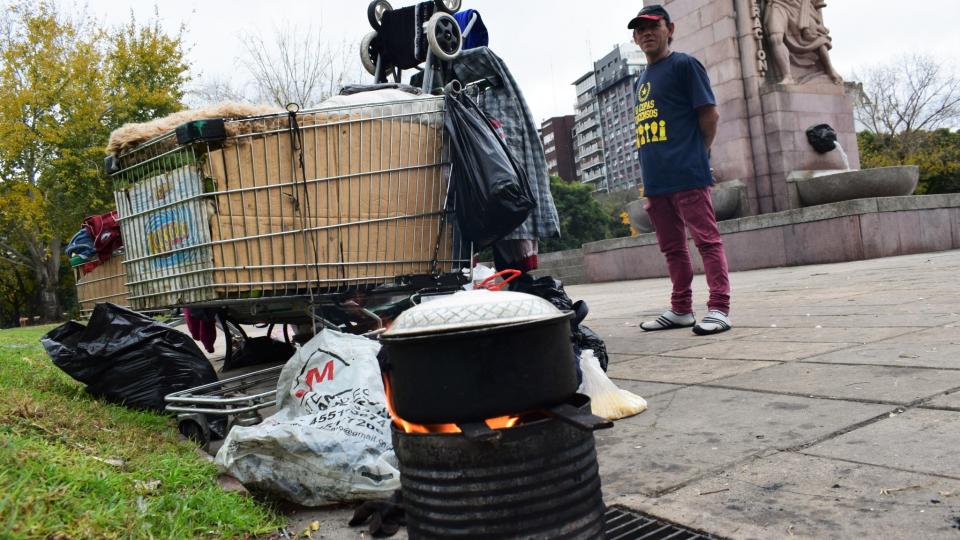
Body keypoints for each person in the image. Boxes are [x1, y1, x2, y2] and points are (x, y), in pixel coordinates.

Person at [628, 4, 732, 335]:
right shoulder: (641, 79)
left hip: (687, 172)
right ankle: (681, 308)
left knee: (707, 241)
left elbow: (710, 115)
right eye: (639, 29)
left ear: (669, 29)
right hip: (656, 181)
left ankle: (719, 308)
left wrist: (699, 155)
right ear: (634, 37)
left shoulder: (685, 65)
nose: (646, 33)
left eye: (652, 26)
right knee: (672, 248)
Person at [765, 0, 842, 84]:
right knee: (775, 37)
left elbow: (818, 5)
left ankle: (829, 69)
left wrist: (820, 23)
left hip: (801, 8)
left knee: (816, 38)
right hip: (778, 4)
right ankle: (787, 76)